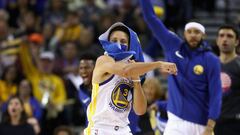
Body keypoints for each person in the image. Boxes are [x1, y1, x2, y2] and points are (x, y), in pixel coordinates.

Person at [138, 0, 222, 135]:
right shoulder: (173, 46)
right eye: (190, 31)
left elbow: (215, 94)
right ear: (184, 34)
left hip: (200, 124)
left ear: (203, 35)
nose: (193, 34)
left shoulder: (211, 60)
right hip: (175, 122)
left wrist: (210, 126)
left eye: (197, 32)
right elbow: (150, 18)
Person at [83, 22, 177, 135]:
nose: (118, 44)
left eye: (123, 41)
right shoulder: (103, 60)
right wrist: (158, 64)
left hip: (123, 129)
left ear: (129, 45)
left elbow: (140, 110)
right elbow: (125, 70)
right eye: (114, 40)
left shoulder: (133, 68)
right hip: (100, 128)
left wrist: (136, 81)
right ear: (108, 42)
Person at [214, 25, 240, 135]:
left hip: (235, 123)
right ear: (217, 41)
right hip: (213, 123)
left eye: (229, 36)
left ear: (237, 42)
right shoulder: (210, 65)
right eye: (221, 36)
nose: (225, 39)